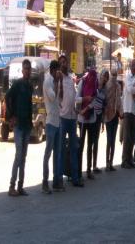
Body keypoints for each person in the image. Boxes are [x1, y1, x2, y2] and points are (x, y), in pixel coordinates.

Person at [6, 59, 33, 196]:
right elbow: (7, 97)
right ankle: (11, 187)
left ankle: (20, 186)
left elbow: (29, 106)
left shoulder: (30, 86)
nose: (28, 71)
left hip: (27, 126)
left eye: (29, 69)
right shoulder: (17, 84)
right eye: (26, 68)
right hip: (18, 126)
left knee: (24, 157)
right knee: (18, 156)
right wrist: (11, 116)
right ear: (22, 70)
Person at [58, 55, 82, 187]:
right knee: (61, 150)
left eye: (65, 62)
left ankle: (75, 178)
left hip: (73, 118)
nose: (64, 64)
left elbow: (73, 97)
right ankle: (59, 179)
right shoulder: (58, 79)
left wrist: (82, 101)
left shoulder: (70, 78)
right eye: (61, 62)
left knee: (73, 149)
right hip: (63, 118)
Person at [81, 70, 109, 175]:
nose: (104, 78)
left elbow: (103, 105)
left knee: (95, 142)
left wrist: (102, 122)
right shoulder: (95, 86)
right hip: (90, 115)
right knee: (88, 143)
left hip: (98, 117)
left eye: (106, 77)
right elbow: (93, 101)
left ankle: (93, 165)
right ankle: (87, 169)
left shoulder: (104, 90)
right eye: (103, 76)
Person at [42, 60, 62, 194]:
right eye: (57, 71)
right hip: (50, 122)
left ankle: (56, 182)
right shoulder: (48, 81)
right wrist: (56, 82)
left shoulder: (56, 81)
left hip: (57, 120)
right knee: (48, 153)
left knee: (57, 153)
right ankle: (45, 182)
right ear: (53, 70)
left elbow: (60, 98)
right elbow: (53, 96)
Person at [76, 69, 98, 180]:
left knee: (90, 145)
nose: (92, 79)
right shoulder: (82, 82)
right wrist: (85, 99)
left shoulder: (95, 84)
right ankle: (79, 171)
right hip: (82, 119)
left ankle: (89, 170)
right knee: (81, 145)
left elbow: (95, 99)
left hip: (91, 118)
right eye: (91, 77)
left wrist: (87, 108)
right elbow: (76, 99)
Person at [104, 69, 123, 171]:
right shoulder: (107, 86)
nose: (114, 76)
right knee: (109, 139)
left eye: (116, 75)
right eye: (113, 74)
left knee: (113, 140)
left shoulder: (118, 86)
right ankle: (107, 162)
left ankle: (111, 162)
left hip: (115, 115)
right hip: (108, 115)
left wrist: (121, 112)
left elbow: (119, 100)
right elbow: (105, 100)